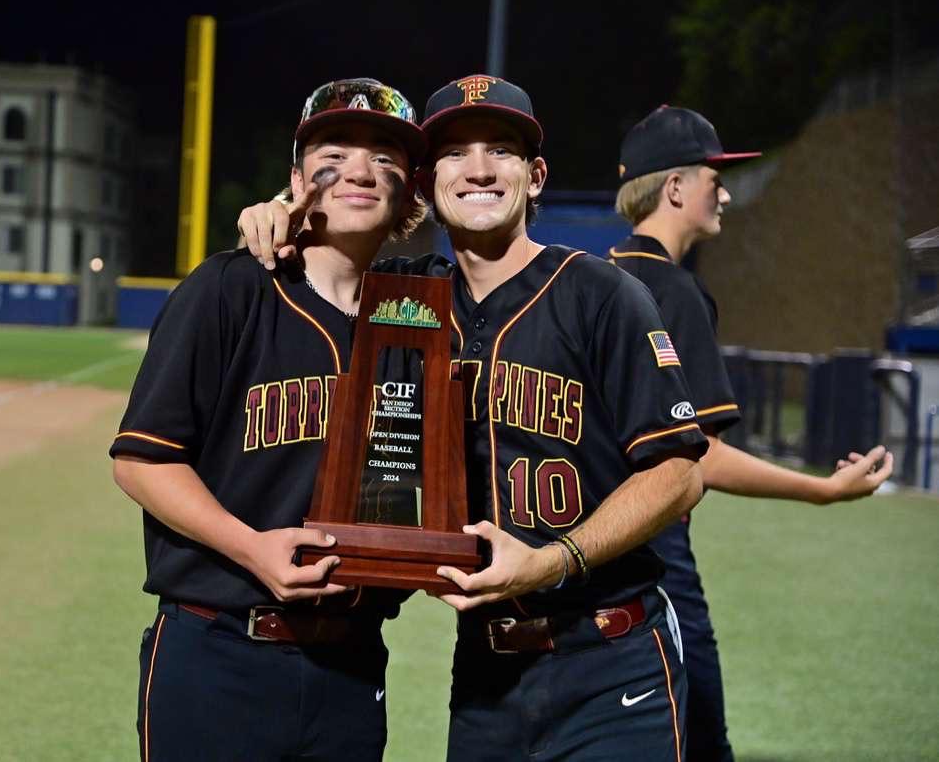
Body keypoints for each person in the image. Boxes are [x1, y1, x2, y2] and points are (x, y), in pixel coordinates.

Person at [240, 75, 710, 761]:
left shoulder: (604, 294)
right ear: (428, 184)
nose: (482, 169)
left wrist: (553, 559)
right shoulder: (405, 299)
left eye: (503, 150)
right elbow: (328, 261)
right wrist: (282, 214)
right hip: (488, 674)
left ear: (536, 174)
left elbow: (679, 473)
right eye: (457, 153)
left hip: (610, 658)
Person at [110, 78, 428, 762]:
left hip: (351, 665)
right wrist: (251, 547)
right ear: (295, 178)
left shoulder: (420, 313)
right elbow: (141, 460)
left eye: (386, 155)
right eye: (335, 149)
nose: (361, 169)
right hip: (219, 648)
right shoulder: (230, 288)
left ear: (410, 188)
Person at [610, 104, 895, 761]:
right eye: (714, 177)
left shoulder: (596, 275)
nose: (727, 191)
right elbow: (698, 454)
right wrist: (820, 490)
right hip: (658, 554)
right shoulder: (674, 291)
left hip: (597, 551)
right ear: (674, 188)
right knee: (704, 738)